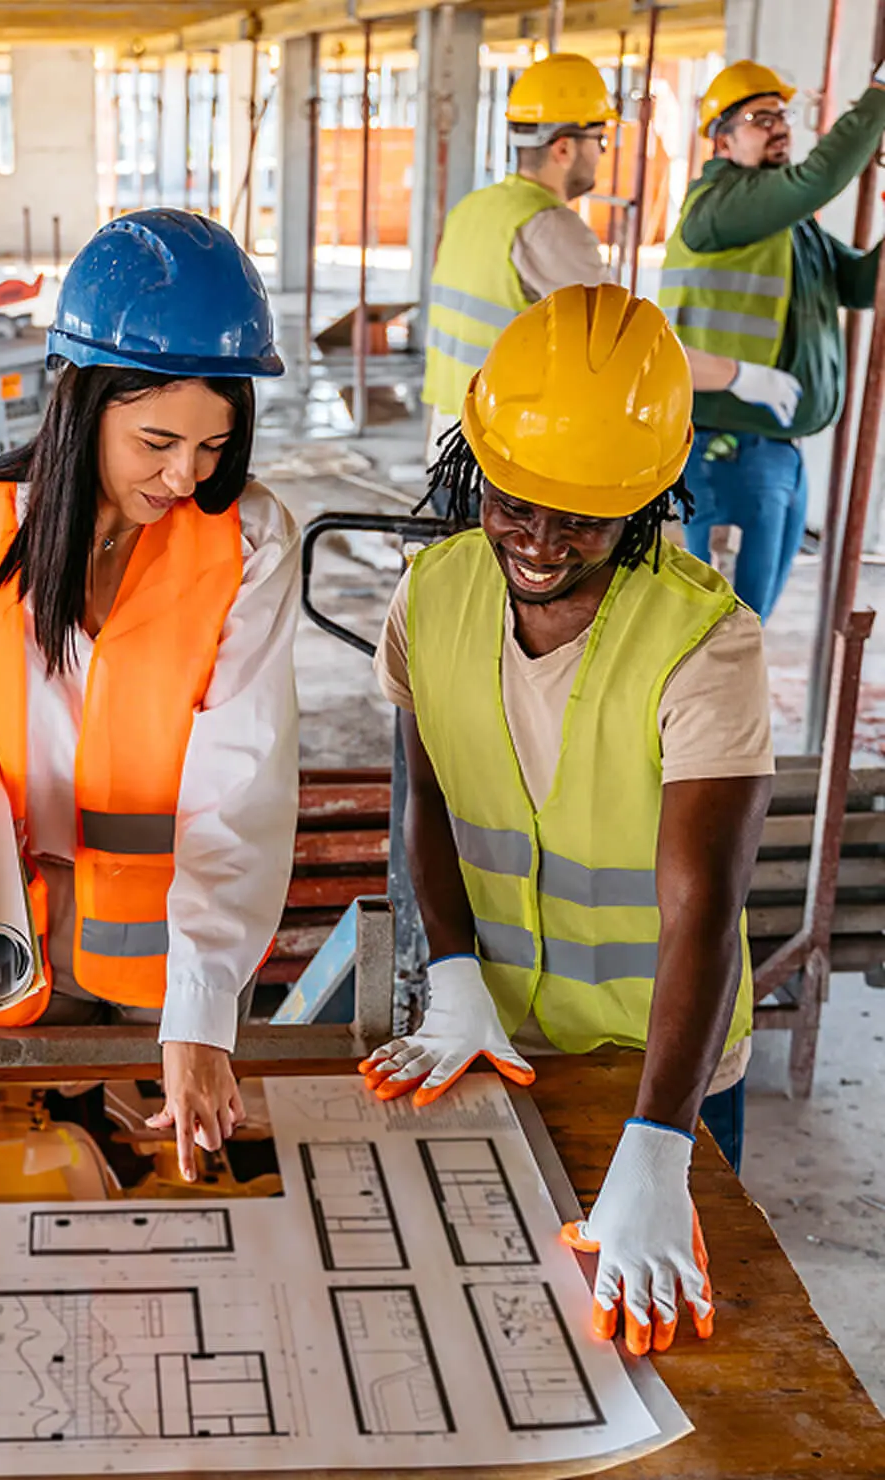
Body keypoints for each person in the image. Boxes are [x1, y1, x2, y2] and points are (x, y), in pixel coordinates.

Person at [0, 209, 299, 1183]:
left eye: (214, 445)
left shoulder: (248, 542)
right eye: (157, 440)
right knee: (22, 1183)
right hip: (13, 944)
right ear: (81, 403)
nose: (185, 476)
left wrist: (201, 1011)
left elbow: (240, 790)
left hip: (179, 956)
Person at [364, 284, 774, 1356]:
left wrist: (659, 1143)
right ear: (477, 467)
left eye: (584, 518)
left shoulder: (706, 645)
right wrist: (454, 974)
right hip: (497, 1038)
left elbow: (702, 909)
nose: (541, 542)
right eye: (513, 502)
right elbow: (426, 799)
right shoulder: (433, 594)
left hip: (665, 1068)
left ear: (648, 498)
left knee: (664, 1361)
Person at [424, 53, 798, 462]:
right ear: (564, 148)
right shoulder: (551, 226)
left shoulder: (473, 208)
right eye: (600, 140)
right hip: (505, 446)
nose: (603, 154)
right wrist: (739, 376)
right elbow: (631, 348)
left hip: (450, 434)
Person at [662, 59, 885, 620]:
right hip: (726, 448)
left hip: (776, 448)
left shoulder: (790, 225)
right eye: (761, 119)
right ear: (722, 140)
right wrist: (879, 97)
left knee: (749, 619)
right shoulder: (718, 207)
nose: (780, 127)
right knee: (719, 621)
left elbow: (861, 286)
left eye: (783, 116)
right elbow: (818, 180)